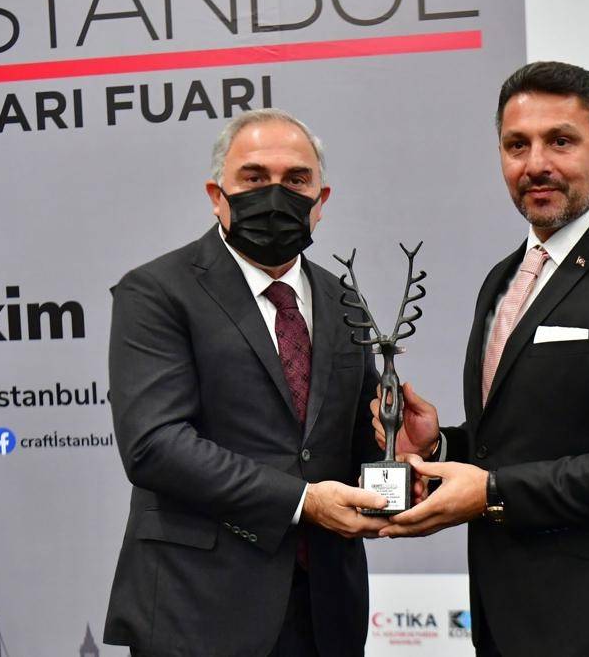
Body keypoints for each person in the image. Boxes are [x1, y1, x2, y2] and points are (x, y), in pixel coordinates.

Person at [375, 62, 589, 657]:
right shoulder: (503, 278)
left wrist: (491, 492)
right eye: (517, 145)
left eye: (560, 141)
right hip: (501, 620)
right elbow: (519, 442)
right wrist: (440, 447)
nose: (535, 164)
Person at [103, 108, 389, 657]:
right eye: (254, 178)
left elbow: (357, 441)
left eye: (296, 180)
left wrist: (409, 450)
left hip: (327, 610)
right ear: (217, 195)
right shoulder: (156, 292)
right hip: (197, 611)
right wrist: (303, 501)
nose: (275, 196)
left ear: (321, 201)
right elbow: (154, 445)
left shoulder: (343, 299)